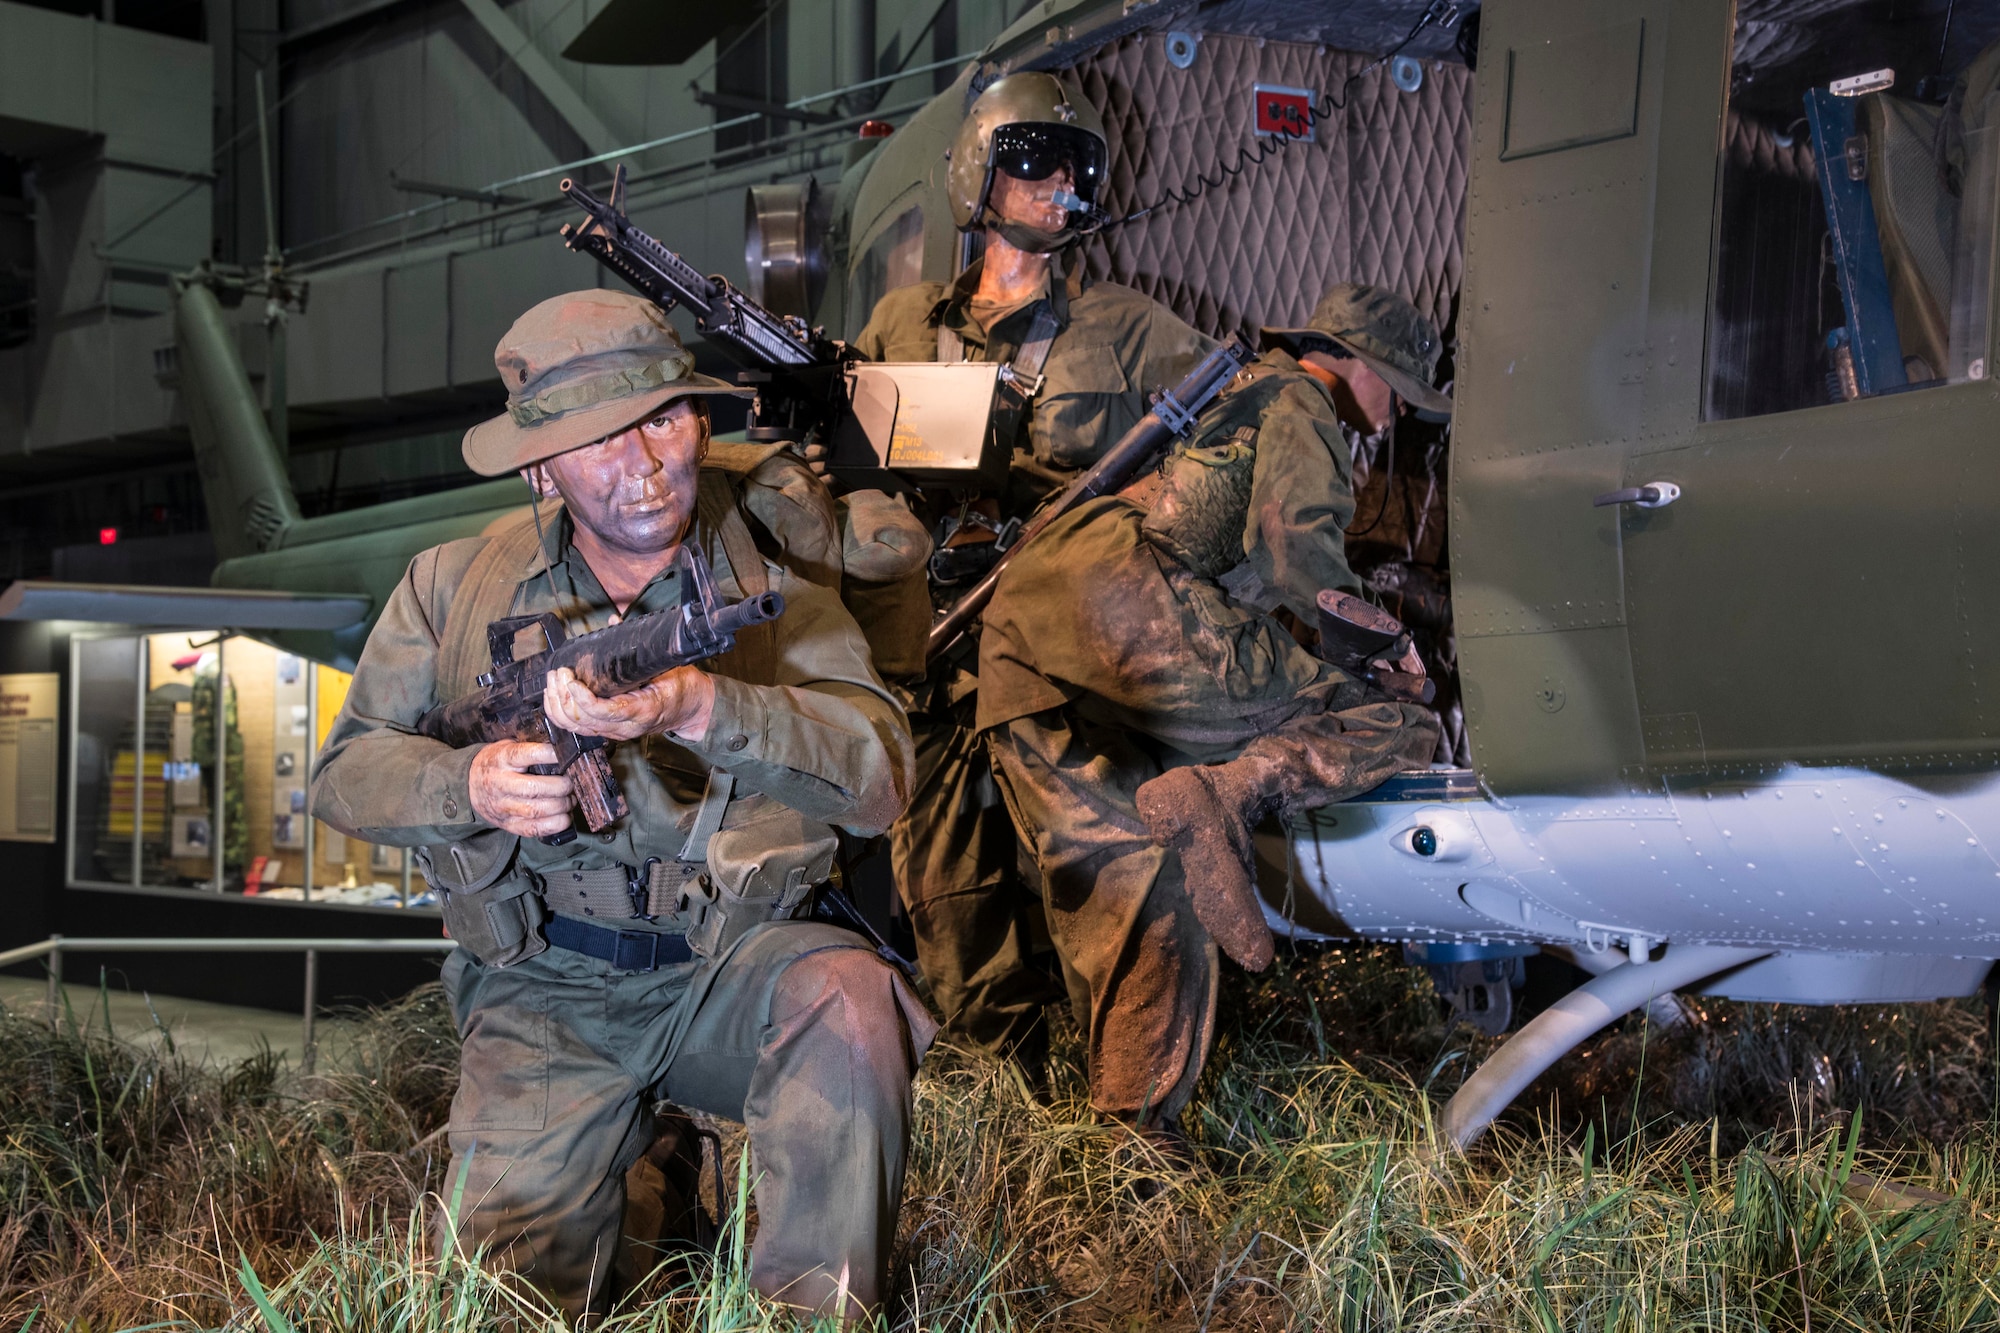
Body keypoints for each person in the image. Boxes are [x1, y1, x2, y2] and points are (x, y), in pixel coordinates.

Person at [310, 289, 932, 1321]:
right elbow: (345, 772)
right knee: (502, 1296)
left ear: (699, 421)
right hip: (547, 991)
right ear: (539, 467)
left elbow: (880, 778)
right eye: (596, 440)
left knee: (852, 1001)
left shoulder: (776, 588)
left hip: (728, 966)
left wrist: (705, 704)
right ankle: (651, 1186)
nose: (642, 463)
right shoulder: (450, 590)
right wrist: (464, 784)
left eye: (662, 419)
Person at [975, 284, 1449, 1132]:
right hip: (1131, 603)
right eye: (1397, 392)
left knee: (1132, 880)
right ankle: (1229, 795)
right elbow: (1300, 548)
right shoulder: (1300, 397)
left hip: (1022, 636)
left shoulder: (1224, 392)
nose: (1392, 419)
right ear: (1351, 361)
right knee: (1404, 723)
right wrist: (1392, 656)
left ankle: (1133, 1141)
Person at [850, 71, 1212, 1077]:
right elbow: (855, 479)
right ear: (980, 172)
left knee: (1107, 883)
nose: (1060, 187)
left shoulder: (1130, 329)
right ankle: (1003, 1108)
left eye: (1075, 170)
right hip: (929, 654)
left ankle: (1133, 1127)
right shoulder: (900, 326)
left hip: (1058, 661)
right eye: (1033, 164)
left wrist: (1144, 522)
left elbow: (1229, 451)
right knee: (950, 901)